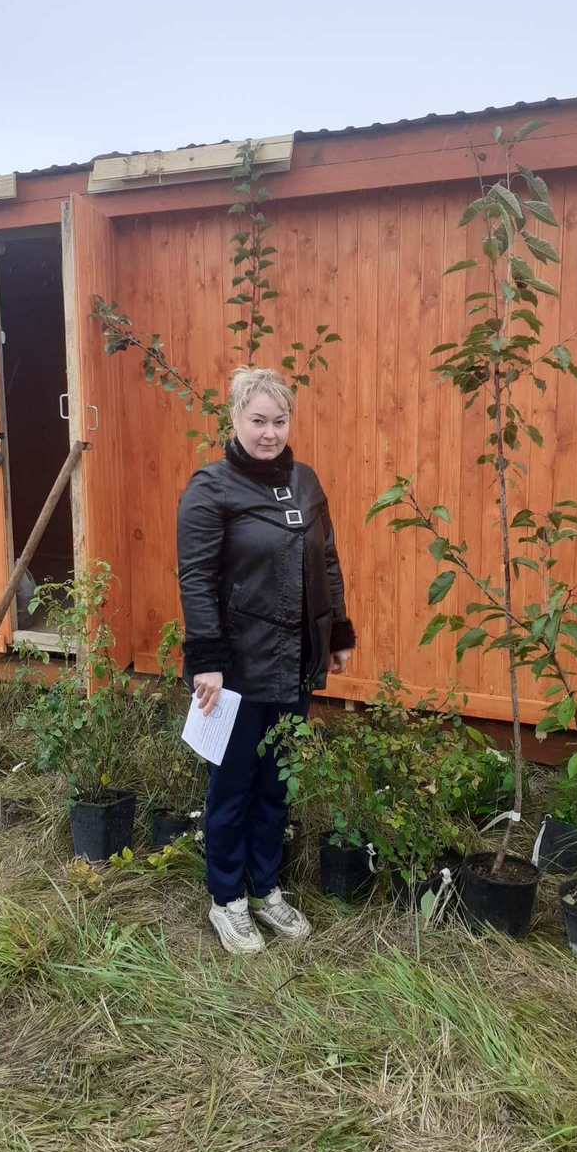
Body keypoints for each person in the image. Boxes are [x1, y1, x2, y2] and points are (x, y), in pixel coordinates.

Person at [177, 367, 355, 954]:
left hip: (293, 663)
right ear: (234, 418)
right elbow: (196, 578)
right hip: (234, 670)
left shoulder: (305, 483)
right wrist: (206, 659)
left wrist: (338, 632)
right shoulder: (211, 488)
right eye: (258, 420)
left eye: (279, 421)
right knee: (232, 785)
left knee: (276, 783)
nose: (269, 433)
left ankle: (265, 888)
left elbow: (327, 561)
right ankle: (226, 899)